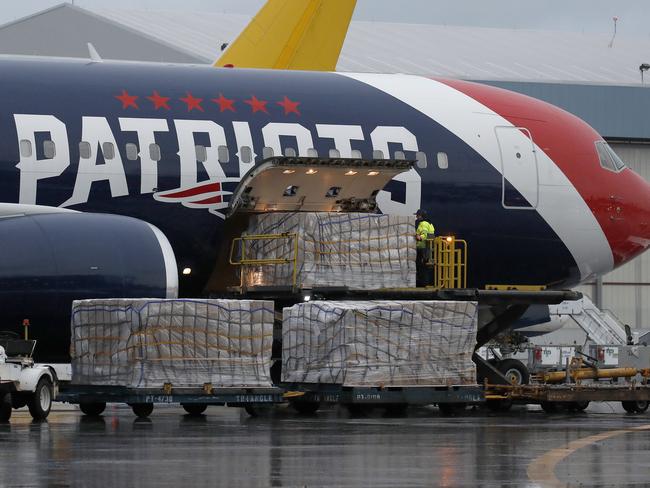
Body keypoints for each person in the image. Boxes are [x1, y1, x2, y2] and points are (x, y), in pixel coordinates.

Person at [415, 209, 435, 287]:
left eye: (417, 215)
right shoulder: (430, 224)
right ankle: (425, 283)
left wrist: (419, 237)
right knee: (426, 267)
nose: (416, 217)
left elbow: (425, 235)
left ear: (421, 216)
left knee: (421, 267)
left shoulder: (423, 224)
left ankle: (422, 284)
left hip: (423, 248)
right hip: (428, 248)